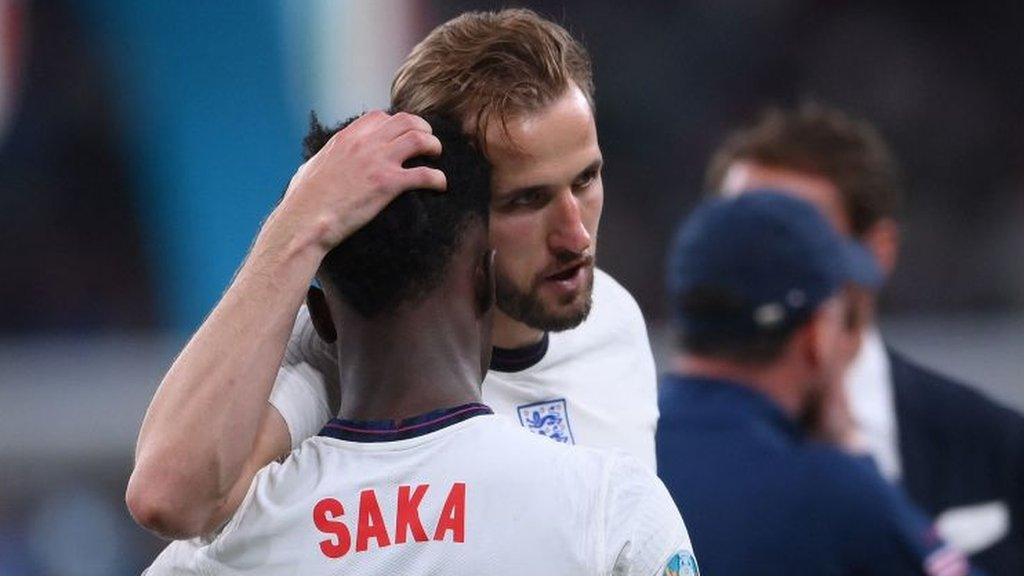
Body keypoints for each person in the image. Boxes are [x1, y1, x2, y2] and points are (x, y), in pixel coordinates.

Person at [127, 9, 658, 540]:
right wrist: (296, 223)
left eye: (586, 180)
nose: (575, 237)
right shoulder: (358, 356)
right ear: (448, 207)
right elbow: (166, 497)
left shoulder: (616, 320)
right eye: (526, 200)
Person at [143, 114, 695, 575]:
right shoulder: (608, 510)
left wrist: (297, 223)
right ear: (486, 280)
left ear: (321, 319)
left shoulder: (223, 549)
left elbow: (162, 492)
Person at [707, 104, 1024, 574]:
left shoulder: (996, 444)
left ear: (877, 253)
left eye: (794, 237)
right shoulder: (657, 448)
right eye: (739, 238)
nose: (760, 266)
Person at [657, 192, 977, 576]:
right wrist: (856, 456)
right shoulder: (830, 490)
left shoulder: (614, 449)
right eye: (842, 318)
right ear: (815, 338)